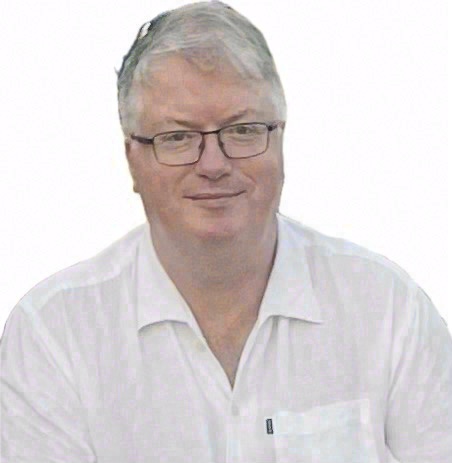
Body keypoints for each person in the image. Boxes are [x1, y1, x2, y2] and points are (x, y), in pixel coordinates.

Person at [1, 1, 451, 462]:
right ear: (133, 160)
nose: (214, 164)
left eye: (243, 130)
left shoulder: (388, 312)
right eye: (177, 137)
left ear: (280, 140)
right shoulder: (55, 337)